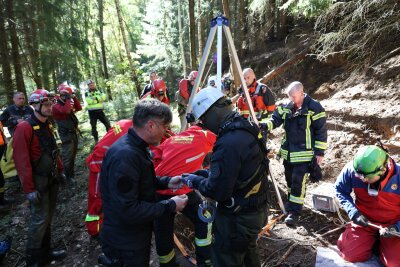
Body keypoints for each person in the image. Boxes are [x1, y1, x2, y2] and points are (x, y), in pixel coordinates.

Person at [182, 88, 270, 267]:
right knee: (248, 252)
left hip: (238, 219)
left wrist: (196, 181)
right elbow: (238, 172)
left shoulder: (227, 142)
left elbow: (218, 191)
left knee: (226, 257)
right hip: (255, 210)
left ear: (214, 111)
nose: (205, 126)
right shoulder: (245, 127)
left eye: (204, 120)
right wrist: (205, 174)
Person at [99, 99, 188, 266]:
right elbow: (128, 210)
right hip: (125, 242)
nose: (167, 131)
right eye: (165, 126)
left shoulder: (136, 146)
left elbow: (141, 181)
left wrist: (168, 182)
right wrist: (170, 205)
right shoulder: (126, 156)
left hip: (134, 234)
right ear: (151, 125)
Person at [13, 89, 67, 266]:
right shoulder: (24, 128)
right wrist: (29, 189)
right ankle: (33, 259)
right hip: (38, 182)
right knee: (39, 219)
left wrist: (60, 170)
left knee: (48, 217)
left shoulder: (47, 124)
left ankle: (46, 252)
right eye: (45, 104)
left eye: (50, 103)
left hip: (51, 179)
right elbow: (21, 161)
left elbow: (52, 150)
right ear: (34, 105)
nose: (49, 107)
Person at [263, 81, 327, 226]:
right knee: (290, 181)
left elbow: (321, 130)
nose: (291, 99)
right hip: (289, 154)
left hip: (305, 155)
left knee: (298, 182)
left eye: (293, 96)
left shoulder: (314, 107)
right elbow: (275, 119)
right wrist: (264, 125)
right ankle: (292, 204)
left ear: (301, 92)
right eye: (289, 96)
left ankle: (295, 213)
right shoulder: (287, 106)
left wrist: (319, 152)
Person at [153, 124, 216, 267]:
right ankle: (205, 261)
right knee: (204, 217)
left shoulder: (172, 139)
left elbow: (155, 157)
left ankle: (167, 264)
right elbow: (224, 148)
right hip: (181, 188)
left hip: (160, 187)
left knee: (162, 230)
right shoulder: (206, 137)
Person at [335, 145, 400, 266]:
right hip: (364, 220)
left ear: (383, 169)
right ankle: (370, 241)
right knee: (349, 255)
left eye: (368, 177)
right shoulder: (353, 170)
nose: (363, 180)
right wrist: (353, 212)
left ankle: (382, 245)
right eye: (360, 176)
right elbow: (340, 190)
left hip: (393, 224)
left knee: (394, 263)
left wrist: (397, 228)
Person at [52, 84, 82, 185]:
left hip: (73, 133)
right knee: (67, 157)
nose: (69, 97)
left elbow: (79, 108)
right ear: (63, 95)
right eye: (68, 95)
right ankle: (67, 177)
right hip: (66, 135)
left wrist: (74, 97)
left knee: (73, 155)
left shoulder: (67, 102)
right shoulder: (56, 105)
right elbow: (66, 111)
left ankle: (71, 174)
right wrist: (69, 99)